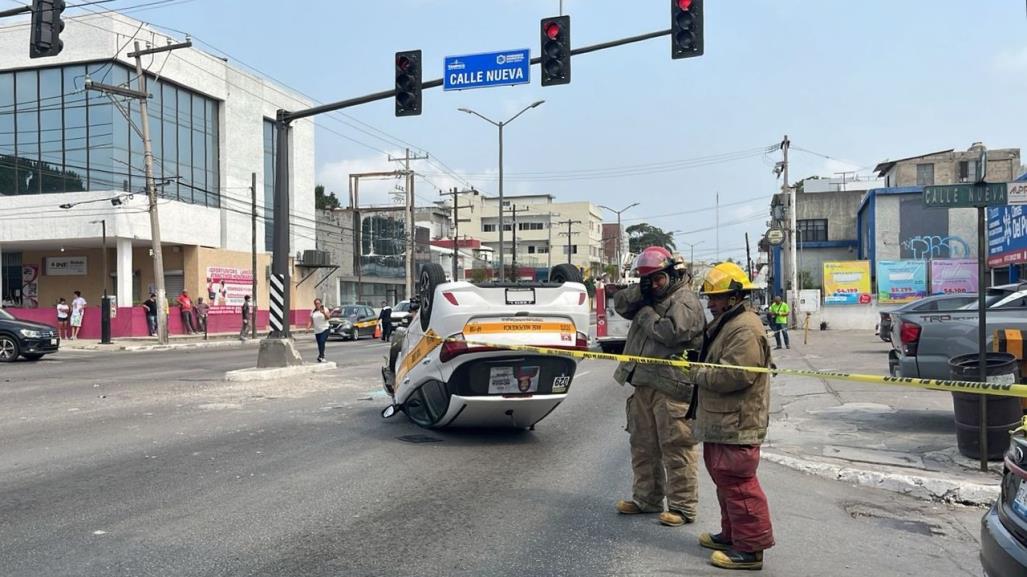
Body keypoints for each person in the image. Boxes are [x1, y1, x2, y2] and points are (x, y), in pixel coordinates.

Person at [684, 261, 774, 571]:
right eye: (710, 298)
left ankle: (750, 550)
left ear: (734, 297)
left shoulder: (745, 328)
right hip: (723, 419)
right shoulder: (729, 323)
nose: (711, 304)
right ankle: (733, 535)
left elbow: (736, 376)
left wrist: (697, 373)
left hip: (737, 421)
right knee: (725, 481)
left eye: (716, 298)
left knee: (738, 484)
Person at [612, 246, 706, 528]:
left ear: (672, 275)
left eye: (657, 279)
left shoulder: (684, 300)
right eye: (648, 280)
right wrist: (640, 291)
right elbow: (620, 304)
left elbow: (672, 332)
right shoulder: (650, 295)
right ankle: (647, 499)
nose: (654, 285)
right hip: (644, 382)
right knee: (643, 445)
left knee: (676, 447)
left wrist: (645, 314)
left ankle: (682, 507)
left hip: (672, 387)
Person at [307, 298, 330, 362]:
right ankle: (320, 356)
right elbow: (311, 321)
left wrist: (323, 313)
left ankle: (321, 356)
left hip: (325, 328)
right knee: (319, 344)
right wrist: (308, 328)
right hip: (317, 330)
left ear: (320, 303)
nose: (317, 304)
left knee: (322, 341)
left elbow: (328, 318)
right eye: (316, 303)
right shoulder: (313, 311)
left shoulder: (325, 309)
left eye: (318, 303)